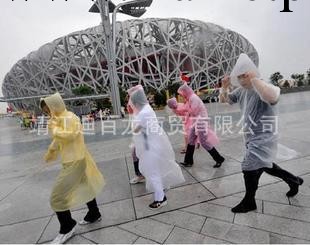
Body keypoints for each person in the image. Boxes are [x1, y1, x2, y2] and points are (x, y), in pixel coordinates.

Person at [219, 53, 303, 213]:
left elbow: (272, 97)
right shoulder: (242, 90)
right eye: (239, 77)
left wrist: (254, 80)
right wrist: (224, 87)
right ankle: (293, 180)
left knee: (248, 166)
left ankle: (249, 202)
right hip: (251, 135)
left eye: (244, 75)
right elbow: (226, 100)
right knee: (265, 165)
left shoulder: (263, 85)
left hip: (264, 136)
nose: (242, 79)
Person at [40, 92, 105, 244]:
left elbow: (70, 135)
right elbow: (59, 140)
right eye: (45, 112)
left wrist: (54, 129)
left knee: (57, 197)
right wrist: (51, 150)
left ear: (55, 105)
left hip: (75, 161)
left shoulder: (69, 117)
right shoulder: (59, 119)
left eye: (48, 110)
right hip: (73, 159)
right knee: (86, 187)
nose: (48, 113)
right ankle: (94, 213)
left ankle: (67, 226)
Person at [128, 85, 185, 209]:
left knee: (152, 172)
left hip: (149, 146)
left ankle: (160, 198)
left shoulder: (142, 113)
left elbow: (135, 129)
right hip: (154, 143)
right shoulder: (147, 108)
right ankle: (162, 190)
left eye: (132, 101)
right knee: (156, 170)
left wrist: (134, 120)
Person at [176, 83, 225, 168]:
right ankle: (188, 161)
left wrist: (187, 110)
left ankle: (219, 158)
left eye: (182, 93)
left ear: (185, 92)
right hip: (196, 121)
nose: (182, 95)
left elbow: (193, 111)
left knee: (204, 142)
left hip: (201, 122)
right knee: (191, 140)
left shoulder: (193, 98)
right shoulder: (190, 98)